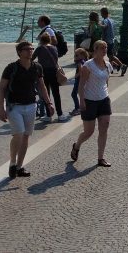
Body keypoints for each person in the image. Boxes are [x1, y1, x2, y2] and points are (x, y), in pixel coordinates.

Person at [0, 41, 55, 180]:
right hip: (14, 106)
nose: (30, 51)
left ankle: (19, 166)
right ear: (19, 52)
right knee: (18, 134)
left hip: (31, 105)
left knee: (26, 136)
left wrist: (49, 103)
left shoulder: (37, 67)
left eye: (31, 48)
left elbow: (42, 86)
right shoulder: (11, 68)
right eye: (26, 49)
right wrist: (1, 109)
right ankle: (12, 163)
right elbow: (1, 88)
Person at [70, 40, 115, 168]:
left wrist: (105, 94)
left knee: (104, 127)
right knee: (89, 132)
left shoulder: (107, 65)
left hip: (104, 100)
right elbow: (81, 85)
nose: (105, 50)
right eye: (102, 48)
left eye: (106, 47)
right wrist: (81, 100)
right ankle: (77, 145)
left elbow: (106, 82)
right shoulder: (88, 65)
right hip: (89, 101)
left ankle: (101, 158)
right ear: (95, 50)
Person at [34, 32, 68, 121]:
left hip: (43, 72)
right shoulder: (54, 48)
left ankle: (49, 115)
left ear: (41, 40)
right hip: (54, 72)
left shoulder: (40, 48)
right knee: (56, 93)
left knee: (46, 94)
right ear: (49, 40)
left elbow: (31, 58)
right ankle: (60, 114)